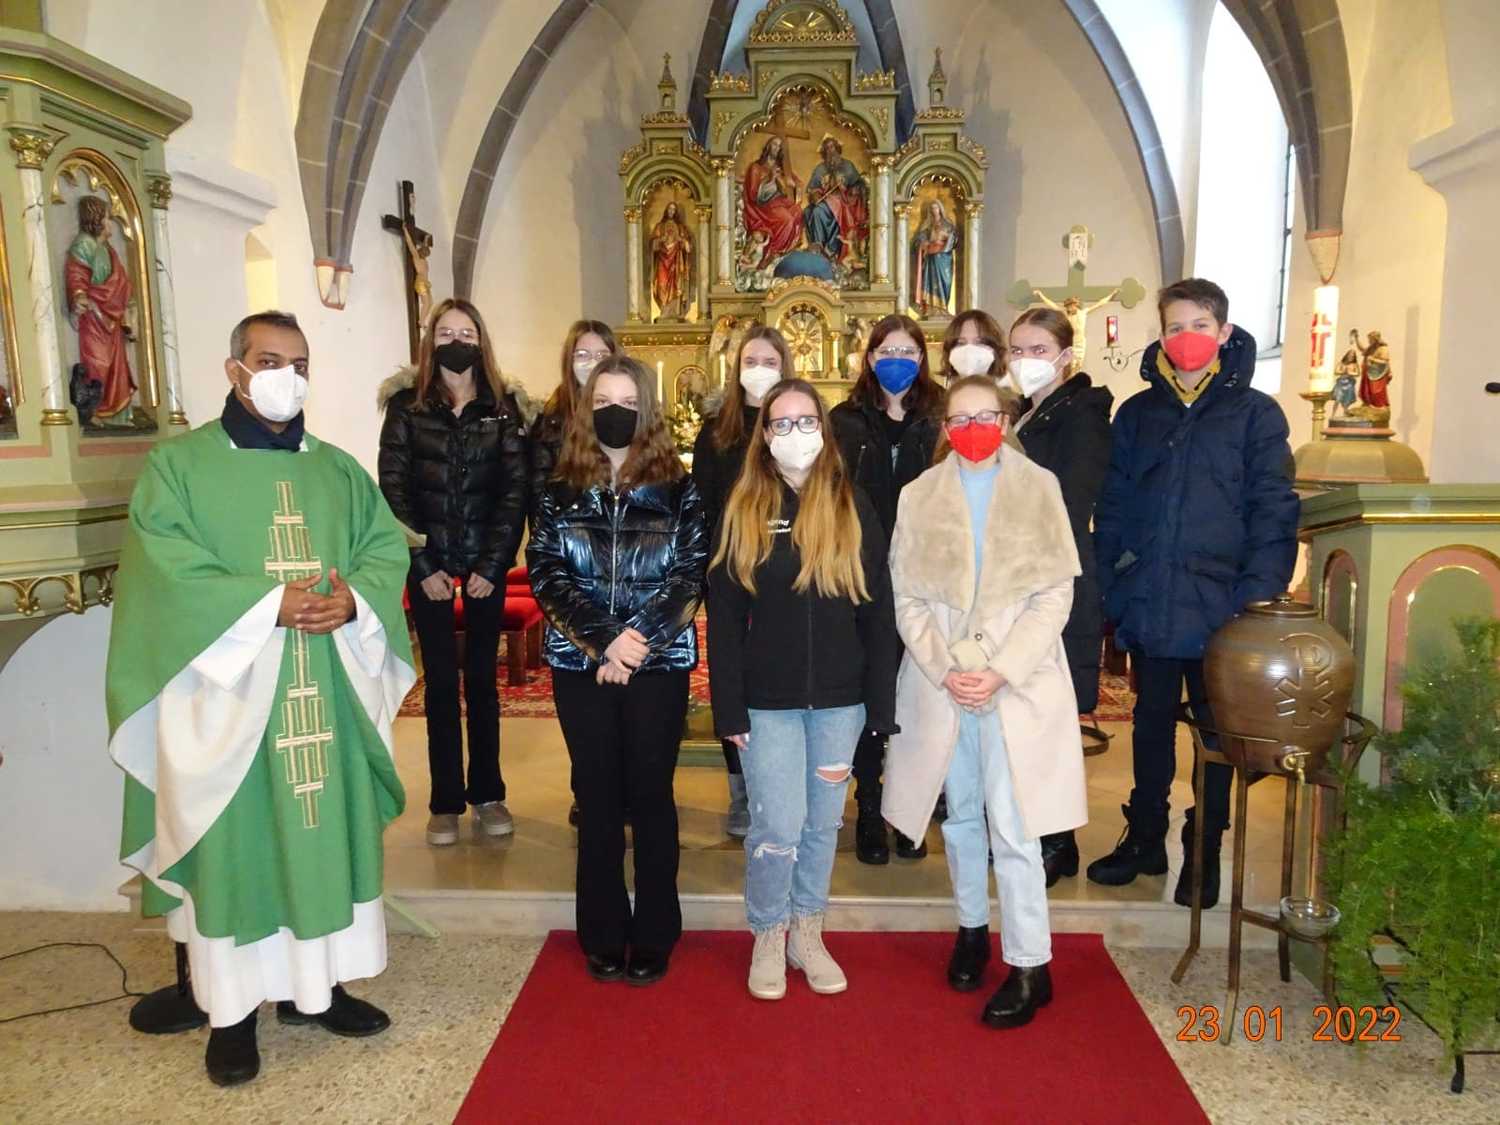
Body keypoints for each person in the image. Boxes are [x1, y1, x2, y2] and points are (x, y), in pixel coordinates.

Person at [105, 311, 416, 1086]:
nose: (287, 377)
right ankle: (231, 1013)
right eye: (270, 360)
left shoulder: (339, 471)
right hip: (227, 703)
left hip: (324, 692)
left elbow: (383, 550)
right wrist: (268, 603)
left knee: (322, 836)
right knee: (236, 849)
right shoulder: (178, 468)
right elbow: (163, 570)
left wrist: (355, 602)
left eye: (299, 363)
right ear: (234, 370)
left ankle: (319, 988)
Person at [882, 375, 1087, 1029]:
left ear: (1005, 419)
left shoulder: (1039, 487)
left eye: (985, 416)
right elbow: (907, 596)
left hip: (1016, 680)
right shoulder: (918, 495)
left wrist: (999, 668)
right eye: (960, 418)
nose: (973, 429)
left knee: (1016, 823)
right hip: (944, 682)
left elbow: (1054, 593)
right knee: (961, 815)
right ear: (945, 428)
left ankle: (1030, 963)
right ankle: (971, 929)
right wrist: (947, 667)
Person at [1090, 278, 1299, 908]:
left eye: (1199, 326)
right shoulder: (1137, 414)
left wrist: (1256, 602)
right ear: (1161, 336)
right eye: (1175, 327)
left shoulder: (1256, 415)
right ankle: (1145, 837)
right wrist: (1115, 584)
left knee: (1214, 734)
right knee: (1150, 724)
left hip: (1223, 607)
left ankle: (1203, 848)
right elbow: (1114, 506)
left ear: (1224, 332)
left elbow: (1273, 511)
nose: (1187, 338)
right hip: (1152, 597)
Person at [707, 378, 898, 1000]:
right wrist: (729, 708)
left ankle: (807, 931)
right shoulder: (744, 508)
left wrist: (881, 704)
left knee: (821, 825)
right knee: (777, 827)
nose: (796, 434)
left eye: (807, 421)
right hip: (768, 704)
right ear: (765, 436)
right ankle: (768, 931)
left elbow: (878, 610)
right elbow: (725, 619)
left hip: (841, 702)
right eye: (782, 423)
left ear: (824, 429)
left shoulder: (852, 504)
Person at [527, 355, 708, 986]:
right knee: (597, 796)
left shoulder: (679, 488)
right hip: (581, 662)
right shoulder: (558, 489)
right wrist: (603, 641)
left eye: (628, 402)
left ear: (647, 410)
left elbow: (690, 575)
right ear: (586, 408)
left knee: (652, 795)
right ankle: (602, 931)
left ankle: (656, 931)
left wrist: (638, 641)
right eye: (604, 400)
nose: (615, 412)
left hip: (658, 664)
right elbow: (547, 573)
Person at [378, 298, 529, 847]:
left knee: (483, 683)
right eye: (446, 332)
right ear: (431, 341)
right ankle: (444, 802)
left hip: (486, 563)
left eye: (466, 332)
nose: (456, 341)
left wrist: (493, 564)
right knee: (441, 684)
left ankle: (488, 793)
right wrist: (422, 566)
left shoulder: (503, 407)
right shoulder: (407, 407)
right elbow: (393, 489)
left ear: (480, 341)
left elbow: (514, 491)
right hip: (430, 564)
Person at [830, 314, 944, 864]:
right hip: (865, 575)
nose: (897, 360)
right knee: (874, 690)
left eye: (907, 351)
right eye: (886, 351)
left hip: (926, 578)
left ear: (922, 358)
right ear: (870, 358)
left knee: (919, 697)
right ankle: (871, 806)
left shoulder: (942, 418)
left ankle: (909, 812)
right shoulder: (844, 421)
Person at [1006, 308, 1114, 887]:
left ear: (1066, 356)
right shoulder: (1026, 413)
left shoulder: (1082, 415)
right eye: (1017, 350)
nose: (1025, 360)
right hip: (1017, 580)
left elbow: (1068, 502)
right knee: (1023, 716)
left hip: (1056, 579)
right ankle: (1030, 831)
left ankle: (1059, 841)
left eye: (1038, 349)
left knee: (1051, 718)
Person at [693, 325, 793, 838]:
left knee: (780, 674)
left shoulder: (795, 425)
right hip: (729, 572)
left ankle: (777, 782)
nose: (759, 370)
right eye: (750, 361)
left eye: (769, 362)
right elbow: (702, 505)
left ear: (785, 368)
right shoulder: (716, 430)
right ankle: (740, 788)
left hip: (785, 573)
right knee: (732, 678)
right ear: (736, 369)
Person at [528, 320, 622, 828]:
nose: (590, 363)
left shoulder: (630, 416)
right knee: (582, 696)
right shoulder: (549, 423)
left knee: (625, 691)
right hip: (573, 573)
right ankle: (586, 790)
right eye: (582, 355)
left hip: (626, 575)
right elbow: (538, 499)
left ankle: (629, 788)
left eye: (600, 354)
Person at [65, 195, 136, 425]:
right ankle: (93, 409)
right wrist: (79, 294)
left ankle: (117, 413)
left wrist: (127, 311)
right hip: (94, 314)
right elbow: (77, 273)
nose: (110, 223)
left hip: (112, 315)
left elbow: (122, 282)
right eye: (107, 218)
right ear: (97, 220)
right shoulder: (84, 244)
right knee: (97, 362)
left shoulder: (109, 250)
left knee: (117, 365)